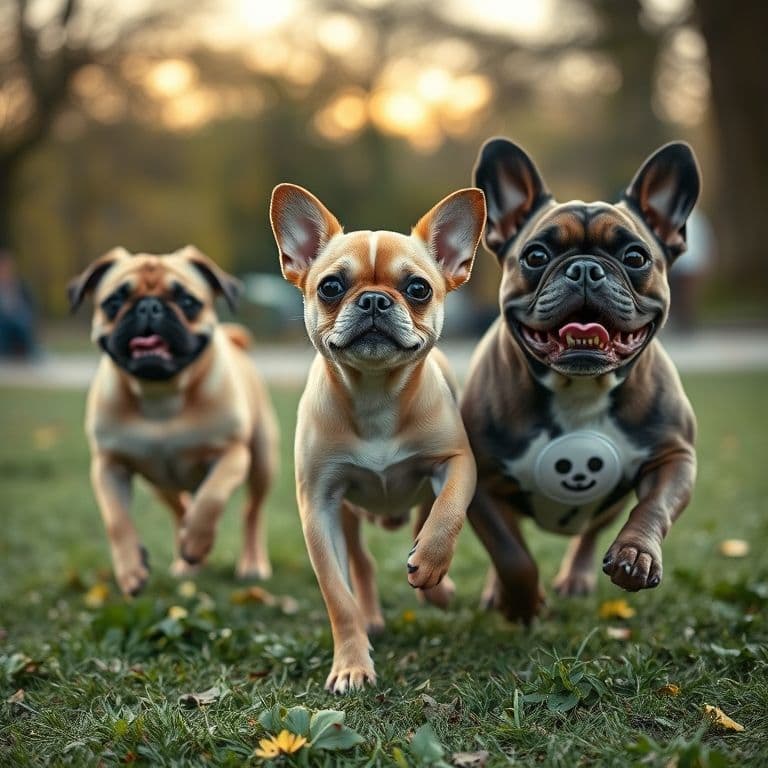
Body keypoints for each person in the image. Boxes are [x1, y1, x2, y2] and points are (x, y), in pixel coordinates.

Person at [0, 248, 38, 358]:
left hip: (19, 327)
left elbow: (31, 309)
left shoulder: (21, 287)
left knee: (21, 323)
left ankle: (29, 354)